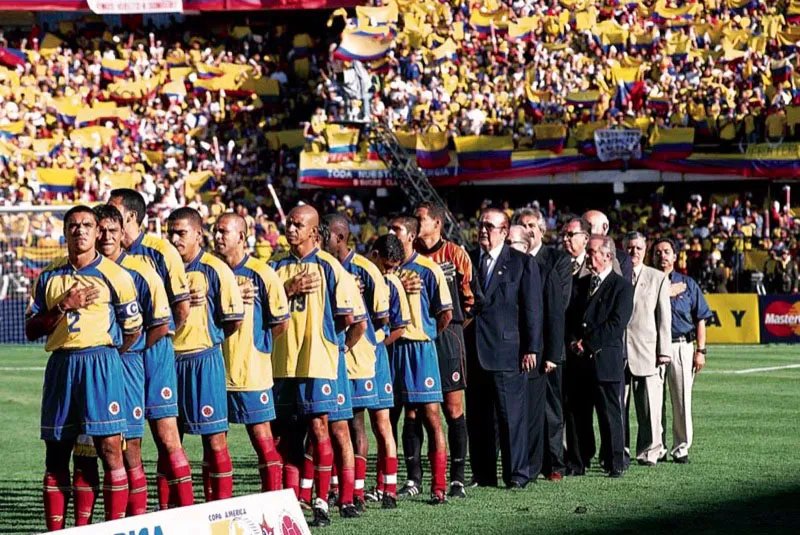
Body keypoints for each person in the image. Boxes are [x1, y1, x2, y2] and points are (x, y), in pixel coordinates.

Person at [26, 205, 143, 530]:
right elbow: (32, 329)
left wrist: (107, 355)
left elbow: (133, 328)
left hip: (101, 365)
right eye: (73, 225)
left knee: (109, 449)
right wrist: (63, 305)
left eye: (87, 225)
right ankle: (58, 530)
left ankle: (116, 526)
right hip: (62, 367)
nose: (80, 231)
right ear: (65, 232)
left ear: (96, 231)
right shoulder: (48, 276)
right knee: (57, 453)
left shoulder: (116, 275)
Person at [69, 205, 173, 524]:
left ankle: (133, 523)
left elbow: (159, 324)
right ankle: (83, 528)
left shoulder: (141, 273)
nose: (107, 237)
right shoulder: (76, 272)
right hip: (90, 369)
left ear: (123, 233)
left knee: (129, 452)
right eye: (102, 231)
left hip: (126, 366)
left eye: (114, 231)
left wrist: (126, 351)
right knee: (85, 453)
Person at [271, 205, 363, 526]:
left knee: (321, 428)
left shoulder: (330, 267)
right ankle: (293, 502)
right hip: (282, 364)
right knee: (286, 436)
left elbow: (351, 319)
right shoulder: (276, 267)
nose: (291, 229)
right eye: (289, 223)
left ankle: (323, 501)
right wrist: (288, 289)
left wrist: (334, 348)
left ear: (313, 232)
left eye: (298, 225)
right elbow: (262, 310)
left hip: (317, 362)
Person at [107, 189, 194, 510]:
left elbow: (181, 308)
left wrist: (159, 344)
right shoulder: (105, 255)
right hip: (123, 358)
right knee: (128, 442)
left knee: (167, 436)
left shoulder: (160, 252)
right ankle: (141, 517)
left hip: (155, 353)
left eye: (113, 210)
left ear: (129, 216)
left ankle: (184, 515)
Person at [167, 207, 244, 502]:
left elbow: (234, 318)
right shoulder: (161, 268)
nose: (174, 239)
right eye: (171, 232)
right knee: (168, 441)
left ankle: (219, 508)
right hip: (168, 362)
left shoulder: (214, 269)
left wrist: (210, 338)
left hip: (203, 361)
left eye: (181, 233)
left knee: (214, 441)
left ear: (198, 235)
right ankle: (171, 508)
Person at [322, 214, 398, 510]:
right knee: (333, 426)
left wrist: (360, 344)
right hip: (329, 359)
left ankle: (364, 490)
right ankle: (340, 489)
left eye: (324, 235)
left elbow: (381, 319)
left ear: (338, 238)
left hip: (362, 360)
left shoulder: (366, 269)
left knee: (362, 425)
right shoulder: (323, 266)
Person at [213, 214, 290, 492]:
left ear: (242, 237)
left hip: (251, 371)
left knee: (262, 439)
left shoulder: (262, 273)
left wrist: (259, 345)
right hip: (214, 370)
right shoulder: (210, 271)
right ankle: (216, 507)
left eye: (224, 231)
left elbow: (280, 321)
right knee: (213, 442)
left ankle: (273, 501)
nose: (217, 236)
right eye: (215, 231)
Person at [467, 208, 542, 489]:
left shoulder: (521, 263)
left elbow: (532, 309)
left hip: (508, 351)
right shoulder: (470, 260)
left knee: (511, 416)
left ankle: (517, 474)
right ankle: (483, 474)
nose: (483, 230)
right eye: (481, 224)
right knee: (479, 416)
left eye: (490, 226)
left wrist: (532, 348)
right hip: (475, 350)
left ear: (504, 230)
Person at [387, 214, 453, 504]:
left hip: (420, 350)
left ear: (410, 236)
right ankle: (407, 480)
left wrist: (425, 334)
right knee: (396, 417)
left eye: (396, 230)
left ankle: (439, 486)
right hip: (392, 349)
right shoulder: (386, 270)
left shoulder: (428, 270)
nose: (391, 233)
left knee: (431, 416)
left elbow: (445, 314)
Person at [413, 202, 474, 498]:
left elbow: (471, 301)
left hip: (449, 335)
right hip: (415, 338)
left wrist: (452, 332)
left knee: (452, 409)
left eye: (420, 218)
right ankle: (414, 479)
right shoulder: (408, 253)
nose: (416, 222)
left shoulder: (455, 254)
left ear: (437, 223)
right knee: (416, 410)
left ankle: (458, 478)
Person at [565, 235, 633, 478]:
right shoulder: (580, 284)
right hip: (579, 362)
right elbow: (571, 317)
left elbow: (617, 323)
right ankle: (577, 461)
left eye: (593, 252)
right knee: (577, 414)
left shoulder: (622, 286)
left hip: (605, 360)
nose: (589, 257)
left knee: (609, 414)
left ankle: (615, 461)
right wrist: (573, 341)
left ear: (608, 256)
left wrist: (589, 343)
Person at [513, 209, 571, 482]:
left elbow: (557, 310)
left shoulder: (556, 261)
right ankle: (526, 461)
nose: (528, 229)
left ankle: (555, 462)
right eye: (522, 225)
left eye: (532, 225)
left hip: (546, 350)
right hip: (516, 350)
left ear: (542, 230)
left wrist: (551, 353)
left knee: (551, 409)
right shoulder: (511, 261)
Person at [653, 238, 713, 464]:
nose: (662, 256)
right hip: (654, 346)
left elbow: (701, 319)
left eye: (666, 252)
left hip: (681, 345)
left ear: (675, 256)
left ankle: (681, 448)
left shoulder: (688, 284)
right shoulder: (646, 282)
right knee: (654, 400)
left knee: (681, 399)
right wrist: (664, 291)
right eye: (657, 252)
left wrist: (701, 351)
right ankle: (656, 447)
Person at [365, 234, 409, 507]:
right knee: (347, 426)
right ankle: (346, 489)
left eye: (393, 267)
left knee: (383, 424)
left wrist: (375, 342)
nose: (389, 272)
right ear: (373, 254)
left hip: (376, 359)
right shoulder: (355, 274)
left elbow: (399, 327)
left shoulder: (392, 284)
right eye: (386, 265)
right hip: (349, 358)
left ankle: (389, 489)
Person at [623, 232, 673, 466]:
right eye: (629, 248)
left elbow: (664, 317)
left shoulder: (657, 278)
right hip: (618, 352)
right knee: (617, 407)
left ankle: (650, 451)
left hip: (647, 351)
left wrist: (664, 351)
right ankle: (618, 450)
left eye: (638, 248)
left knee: (649, 407)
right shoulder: (614, 274)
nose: (633, 252)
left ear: (645, 250)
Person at [583, 210, 633, 281]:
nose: (582, 230)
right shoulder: (570, 257)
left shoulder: (622, 259)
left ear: (604, 227)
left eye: (588, 226)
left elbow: (622, 289)